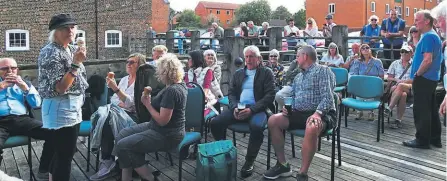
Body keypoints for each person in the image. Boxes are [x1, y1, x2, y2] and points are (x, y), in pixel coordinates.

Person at [264, 45, 336, 181]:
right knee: (273, 120)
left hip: (323, 113)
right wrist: (287, 108)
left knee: (312, 124)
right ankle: (283, 164)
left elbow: (328, 97)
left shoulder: (323, 71)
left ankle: (302, 173)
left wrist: (317, 114)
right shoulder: (298, 77)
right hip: (299, 113)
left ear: (305, 56)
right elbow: (293, 97)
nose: (296, 59)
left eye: (297, 56)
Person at [113, 54, 187, 181]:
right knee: (122, 135)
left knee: (124, 145)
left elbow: (163, 121)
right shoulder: (178, 85)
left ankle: (150, 178)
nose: (157, 74)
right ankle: (126, 176)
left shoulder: (172, 91)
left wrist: (147, 104)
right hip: (155, 127)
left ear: (165, 72)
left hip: (167, 134)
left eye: (159, 71)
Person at [210, 45, 275, 178]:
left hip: (258, 109)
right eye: (246, 56)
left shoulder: (266, 72)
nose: (248, 59)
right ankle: (224, 152)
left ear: (259, 58)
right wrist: (234, 107)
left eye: (251, 56)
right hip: (238, 108)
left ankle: (249, 161)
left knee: (257, 126)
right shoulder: (239, 73)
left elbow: (270, 96)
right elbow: (232, 93)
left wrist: (251, 110)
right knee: (215, 122)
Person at [37, 13, 88, 181]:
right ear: (54, 32)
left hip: (74, 107)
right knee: (64, 156)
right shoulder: (50, 52)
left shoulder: (72, 49)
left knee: (63, 153)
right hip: (60, 109)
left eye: (72, 27)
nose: (70, 30)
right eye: (64, 28)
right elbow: (60, 88)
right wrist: (75, 64)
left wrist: (77, 60)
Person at [89, 53, 146, 180]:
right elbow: (114, 100)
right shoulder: (125, 79)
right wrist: (123, 100)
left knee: (106, 120)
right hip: (117, 111)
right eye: (127, 62)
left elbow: (132, 104)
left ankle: (107, 161)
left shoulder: (142, 82)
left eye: (132, 62)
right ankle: (110, 160)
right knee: (103, 117)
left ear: (140, 65)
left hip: (134, 117)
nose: (128, 64)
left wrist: (116, 89)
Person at [0, 58, 54, 180]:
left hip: (22, 120)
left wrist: (25, 88)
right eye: (4, 68)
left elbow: (36, 104)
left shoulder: (25, 84)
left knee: (53, 133)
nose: (9, 71)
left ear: (17, 70)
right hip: (0, 123)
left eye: (13, 68)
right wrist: (2, 86)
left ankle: (44, 170)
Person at [404, 10, 443, 149]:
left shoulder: (428, 37)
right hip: (431, 79)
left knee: (421, 110)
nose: (415, 22)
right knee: (431, 108)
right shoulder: (432, 35)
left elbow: (427, 60)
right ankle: (434, 139)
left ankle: (422, 139)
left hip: (424, 78)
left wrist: (417, 74)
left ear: (427, 21)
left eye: (417, 19)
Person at [349, 44, 385, 120]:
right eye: (363, 48)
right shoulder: (357, 62)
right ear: (360, 51)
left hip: (372, 84)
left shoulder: (377, 61)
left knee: (370, 89)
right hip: (361, 83)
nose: (365, 49)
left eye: (367, 48)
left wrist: (375, 83)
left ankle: (370, 112)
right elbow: (355, 74)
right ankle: (359, 111)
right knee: (359, 87)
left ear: (370, 50)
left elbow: (381, 75)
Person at [184, 50, 223, 115]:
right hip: (190, 100)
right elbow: (185, 87)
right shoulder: (189, 72)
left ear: (195, 59)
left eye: (189, 59)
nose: (188, 61)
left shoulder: (208, 71)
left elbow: (205, 90)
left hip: (206, 101)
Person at [385, 46, 414, 129]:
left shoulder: (414, 64)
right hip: (397, 86)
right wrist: (395, 79)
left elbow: (414, 79)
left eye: (406, 52)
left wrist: (401, 82)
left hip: (410, 86)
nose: (404, 53)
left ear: (411, 53)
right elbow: (388, 78)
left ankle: (389, 108)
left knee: (400, 86)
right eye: (402, 52)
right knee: (403, 94)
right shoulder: (395, 63)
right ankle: (398, 120)